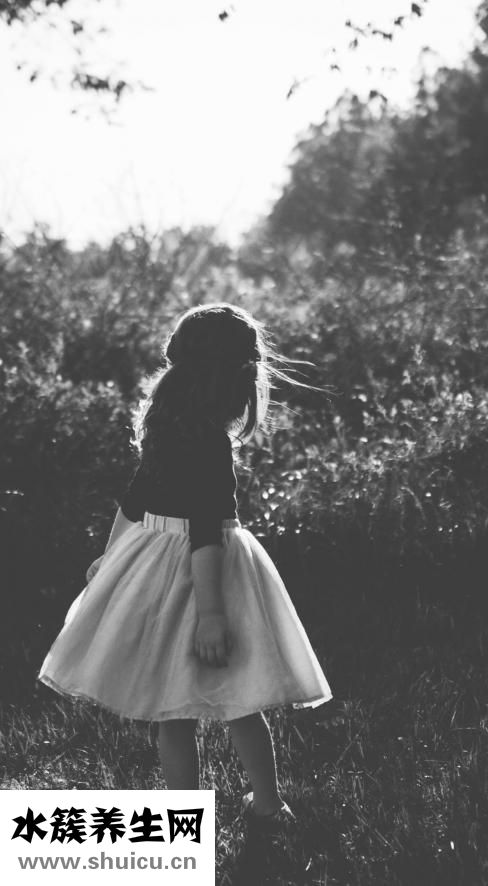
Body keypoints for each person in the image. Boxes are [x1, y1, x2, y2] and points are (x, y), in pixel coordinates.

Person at [38, 303, 332, 826]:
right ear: (234, 377)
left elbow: (134, 500)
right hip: (209, 572)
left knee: (171, 711)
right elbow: (204, 530)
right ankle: (268, 805)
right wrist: (212, 614)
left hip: (155, 560)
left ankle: (183, 817)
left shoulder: (166, 424)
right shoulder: (210, 442)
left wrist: (113, 553)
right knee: (240, 700)